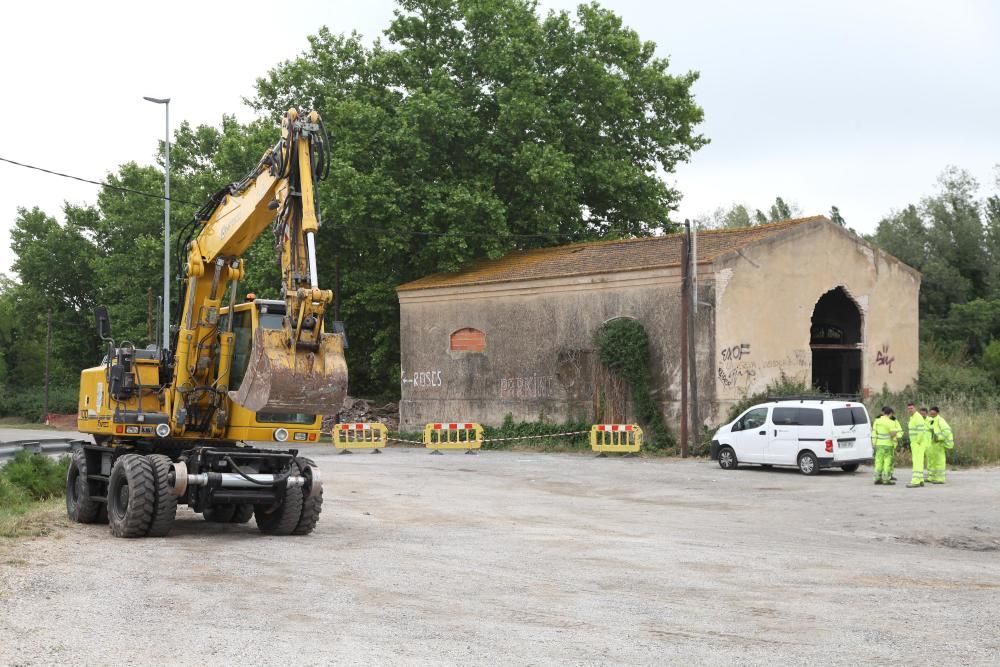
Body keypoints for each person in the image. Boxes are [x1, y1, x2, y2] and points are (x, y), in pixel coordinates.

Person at [871, 406, 900, 485]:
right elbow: (893, 434)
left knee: (878, 462)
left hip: (879, 445)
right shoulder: (891, 422)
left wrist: (874, 443)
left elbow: (874, 433)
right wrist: (896, 436)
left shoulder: (877, 421)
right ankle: (886, 479)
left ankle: (877, 478)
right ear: (890, 413)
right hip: (888, 445)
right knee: (887, 462)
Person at [905, 402, 930, 488]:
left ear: (915, 408)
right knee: (919, 462)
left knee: (916, 462)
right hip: (915, 443)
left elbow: (921, 431)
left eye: (911, 408)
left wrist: (918, 442)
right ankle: (920, 480)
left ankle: (915, 481)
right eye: (908, 408)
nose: (910, 410)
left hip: (918, 443)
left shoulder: (917, 417)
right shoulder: (913, 417)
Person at [927, 406, 953, 484]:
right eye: (931, 411)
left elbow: (947, 431)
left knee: (939, 461)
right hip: (932, 444)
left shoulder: (940, 420)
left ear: (937, 412)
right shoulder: (931, 420)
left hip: (938, 444)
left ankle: (940, 479)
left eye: (933, 411)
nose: (931, 412)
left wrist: (939, 438)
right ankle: (931, 477)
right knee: (931, 461)